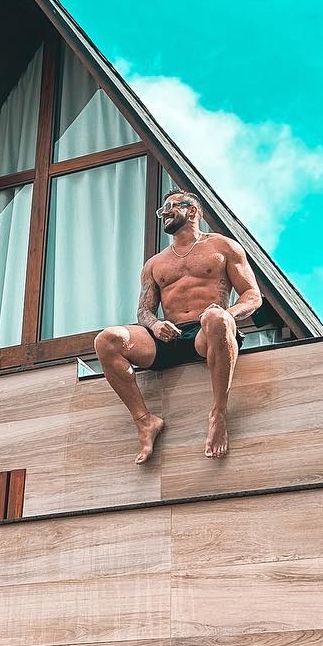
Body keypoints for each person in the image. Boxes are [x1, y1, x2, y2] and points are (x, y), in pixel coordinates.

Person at [93, 190, 262, 463]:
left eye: (171, 207)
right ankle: (145, 421)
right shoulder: (155, 263)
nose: (165, 213)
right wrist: (156, 324)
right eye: (162, 210)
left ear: (192, 211)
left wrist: (227, 314)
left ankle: (218, 414)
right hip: (169, 336)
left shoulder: (223, 247)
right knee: (107, 339)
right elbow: (144, 311)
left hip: (207, 334)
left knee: (216, 318)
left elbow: (252, 296)